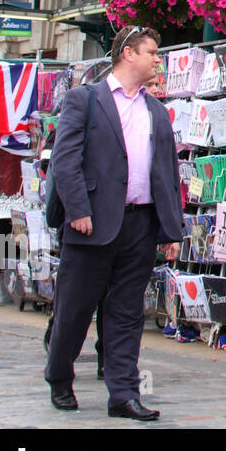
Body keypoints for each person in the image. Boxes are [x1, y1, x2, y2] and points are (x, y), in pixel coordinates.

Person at [44, 25, 184, 420]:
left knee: (126, 313)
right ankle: (58, 376)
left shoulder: (155, 110)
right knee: (74, 309)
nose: (158, 59)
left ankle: (123, 394)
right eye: (153, 52)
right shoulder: (84, 100)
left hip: (139, 226)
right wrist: (78, 210)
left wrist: (170, 230)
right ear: (128, 54)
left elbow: (166, 174)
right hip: (91, 225)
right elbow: (65, 159)